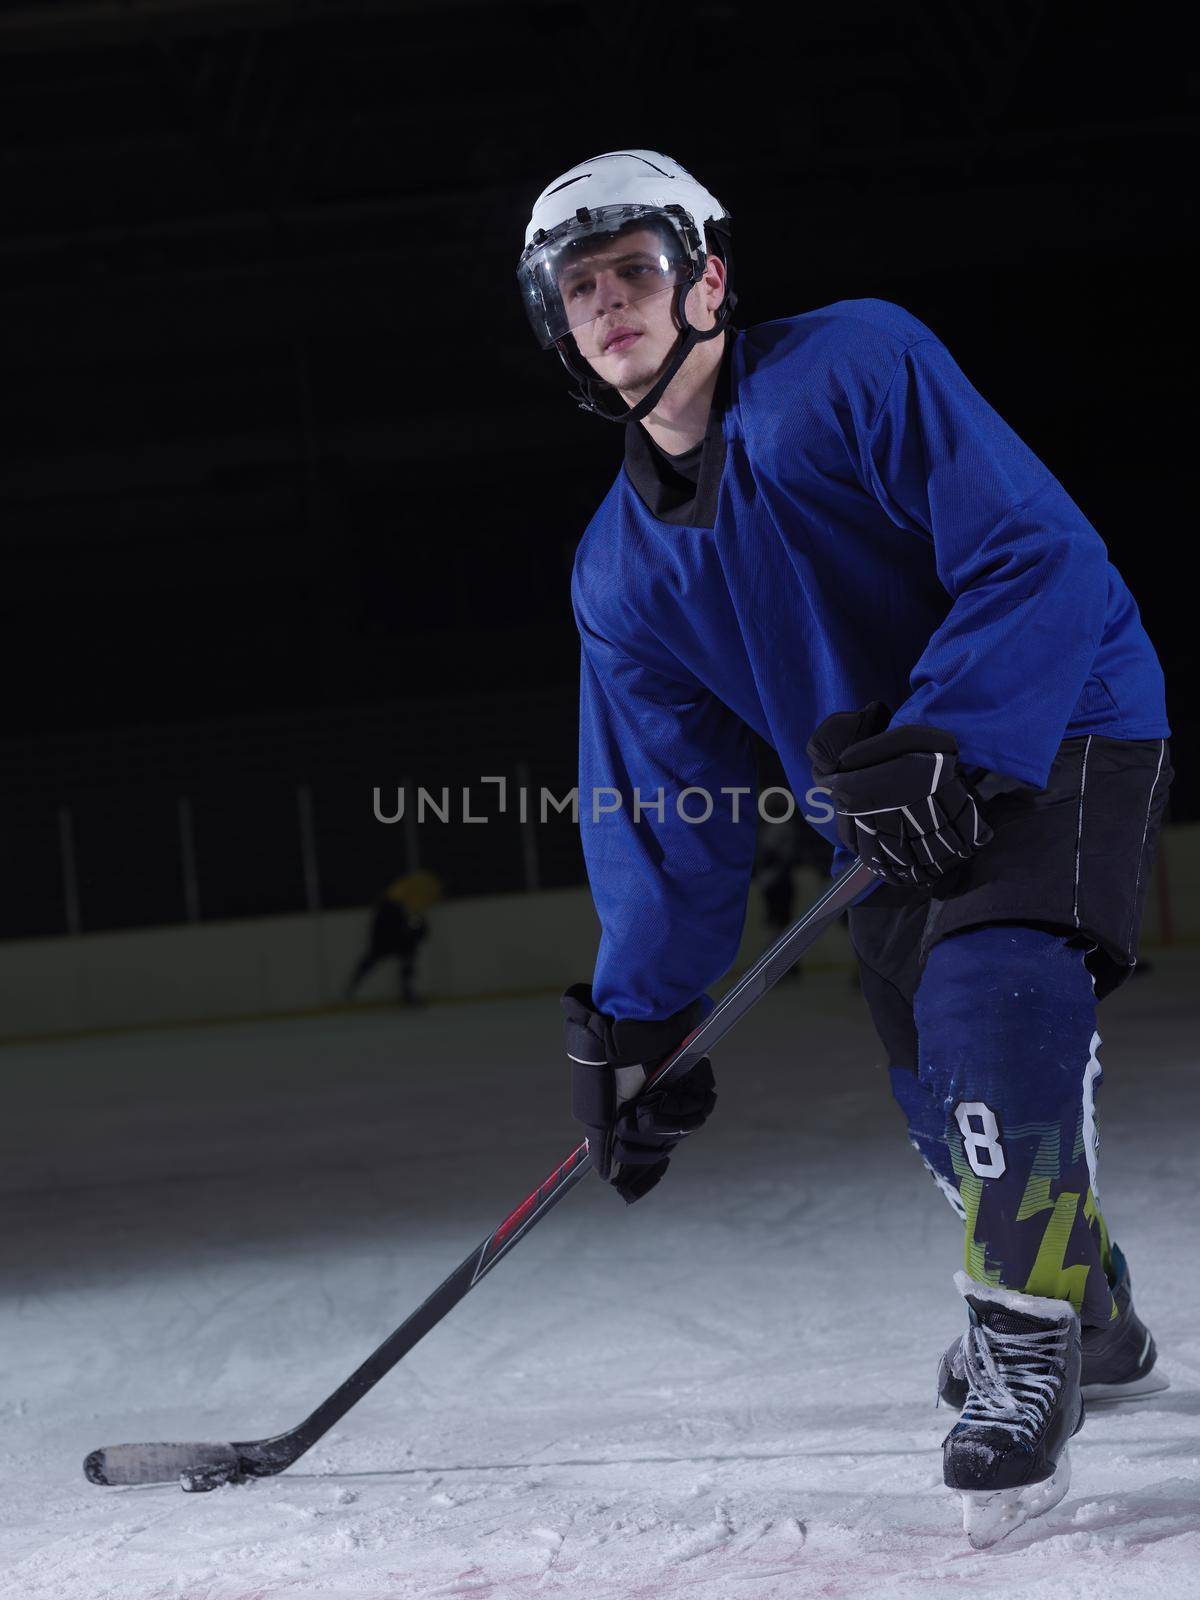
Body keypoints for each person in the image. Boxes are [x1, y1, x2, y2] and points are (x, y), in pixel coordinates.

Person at [517, 150, 1172, 1545]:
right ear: (561, 333)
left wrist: (950, 728)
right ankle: (1087, 1306)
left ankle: (1025, 1341)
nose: (612, 304)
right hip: (886, 811)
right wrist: (641, 1020)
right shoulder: (617, 571)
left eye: (635, 266)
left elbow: (1040, 556)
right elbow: (663, 802)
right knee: (938, 1085)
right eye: (581, 289)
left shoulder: (854, 365)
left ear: (709, 276)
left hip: (1059, 709)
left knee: (989, 985)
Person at [345, 870, 442, 1006]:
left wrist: (415, 932)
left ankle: (407, 994)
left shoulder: (406, 906)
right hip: (386, 940)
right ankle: (351, 989)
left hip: (397, 940)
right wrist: (413, 931)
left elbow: (417, 927)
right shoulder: (391, 907)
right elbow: (408, 927)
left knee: (406, 959)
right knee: (376, 959)